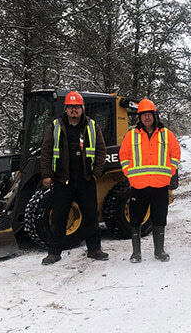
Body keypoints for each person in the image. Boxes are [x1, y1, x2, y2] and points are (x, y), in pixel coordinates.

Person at [40, 90, 108, 265]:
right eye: (70, 107)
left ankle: (94, 249)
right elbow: (46, 150)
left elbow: (101, 150)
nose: (74, 110)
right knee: (59, 217)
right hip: (63, 180)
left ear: (82, 108)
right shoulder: (55, 126)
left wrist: (96, 172)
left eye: (77, 107)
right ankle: (54, 253)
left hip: (85, 179)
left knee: (91, 216)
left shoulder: (92, 126)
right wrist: (47, 175)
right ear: (66, 109)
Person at [119, 98, 181, 263]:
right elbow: (124, 156)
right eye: (143, 115)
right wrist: (128, 173)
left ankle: (159, 251)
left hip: (160, 185)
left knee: (159, 217)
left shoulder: (166, 134)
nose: (146, 118)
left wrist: (170, 171)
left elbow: (175, 154)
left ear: (154, 115)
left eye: (149, 114)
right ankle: (136, 253)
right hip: (139, 185)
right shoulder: (131, 136)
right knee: (135, 218)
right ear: (139, 117)